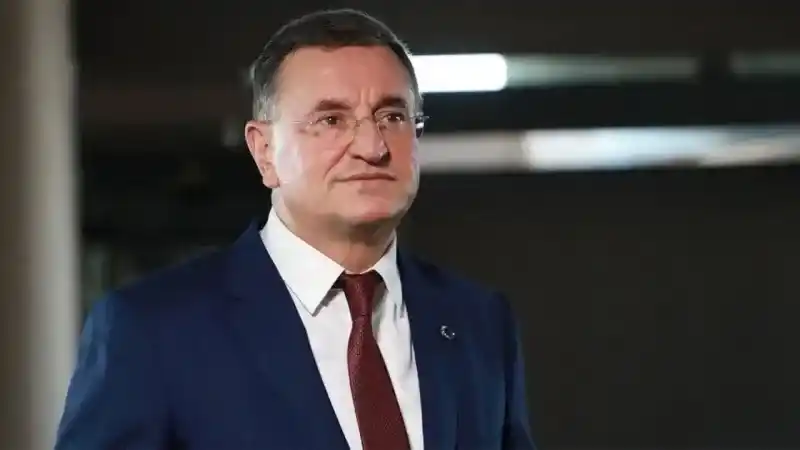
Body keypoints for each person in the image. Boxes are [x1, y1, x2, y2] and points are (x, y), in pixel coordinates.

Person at [55, 8, 535, 450]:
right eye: (332, 119)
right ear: (264, 151)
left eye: (392, 116)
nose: (373, 146)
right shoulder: (152, 331)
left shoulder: (478, 321)